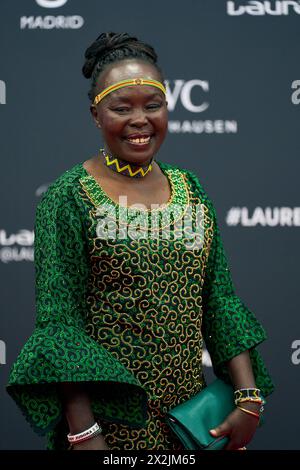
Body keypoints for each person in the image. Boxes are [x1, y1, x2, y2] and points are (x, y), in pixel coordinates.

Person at [6, 32, 274, 451]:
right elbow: (61, 326)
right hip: (111, 425)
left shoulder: (191, 187)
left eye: (153, 105)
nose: (140, 120)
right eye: (121, 107)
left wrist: (247, 396)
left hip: (191, 421)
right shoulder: (68, 197)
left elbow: (219, 300)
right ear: (96, 114)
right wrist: (84, 433)